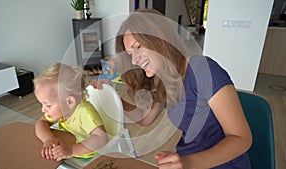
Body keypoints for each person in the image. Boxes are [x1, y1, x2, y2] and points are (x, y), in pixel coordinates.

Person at [92, 8, 252, 169]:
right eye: (130, 54)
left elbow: (241, 138)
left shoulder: (203, 70)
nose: (134, 60)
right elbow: (145, 118)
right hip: (185, 159)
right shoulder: (162, 79)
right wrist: (112, 97)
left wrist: (189, 163)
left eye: (138, 47)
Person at [34, 63, 108, 161]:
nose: (43, 110)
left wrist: (71, 150)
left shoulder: (85, 112)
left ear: (69, 102)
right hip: (69, 145)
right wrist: (48, 139)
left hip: (90, 155)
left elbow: (101, 137)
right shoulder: (63, 109)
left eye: (48, 105)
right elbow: (41, 123)